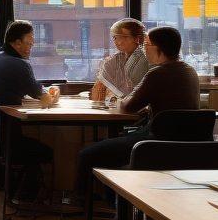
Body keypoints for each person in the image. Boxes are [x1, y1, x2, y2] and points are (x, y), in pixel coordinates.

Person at [74, 25, 201, 198]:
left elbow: (128, 107)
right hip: (187, 145)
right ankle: (118, 208)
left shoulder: (157, 74)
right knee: (113, 147)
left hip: (156, 144)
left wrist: (118, 98)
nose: (144, 49)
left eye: (146, 45)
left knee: (87, 154)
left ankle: (83, 204)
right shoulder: (189, 71)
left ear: (158, 48)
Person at [0, 20, 58, 200]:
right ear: (16, 43)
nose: (31, 47)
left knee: (31, 146)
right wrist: (54, 93)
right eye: (29, 43)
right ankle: (26, 197)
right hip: (4, 142)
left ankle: (17, 193)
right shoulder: (18, 64)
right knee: (46, 151)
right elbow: (44, 98)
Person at [90, 18, 150, 101]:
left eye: (123, 37)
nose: (117, 42)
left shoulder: (150, 59)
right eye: (115, 38)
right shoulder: (111, 62)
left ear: (137, 39)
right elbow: (99, 90)